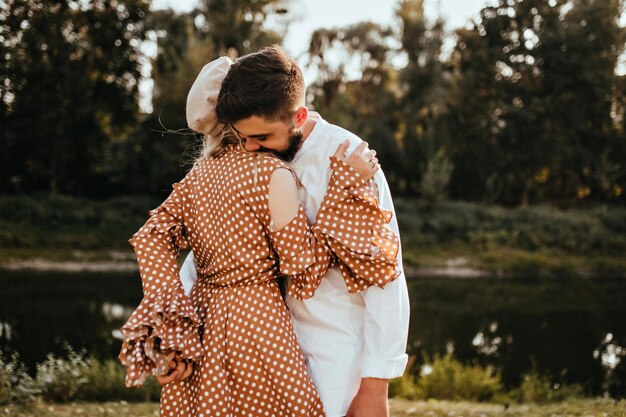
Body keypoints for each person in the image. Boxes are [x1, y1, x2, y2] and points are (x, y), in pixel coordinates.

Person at [117, 56, 400, 417]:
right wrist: (345, 185)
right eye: (249, 136)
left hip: (235, 328)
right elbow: (305, 271)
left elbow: (155, 235)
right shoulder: (271, 173)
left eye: (261, 137)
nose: (253, 146)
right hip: (260, 329)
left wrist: (175, 322)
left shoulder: (200, 176)